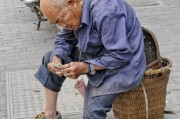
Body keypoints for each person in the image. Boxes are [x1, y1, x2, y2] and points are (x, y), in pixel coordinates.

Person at [34, 0, 146, 118]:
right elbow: (65, 39)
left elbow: (121, 54)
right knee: (49, 59)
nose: (63, 26)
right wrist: (57, 58)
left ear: (72, 3)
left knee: (91, 113)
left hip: (123, 65)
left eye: (62, 19)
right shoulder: (71, 12)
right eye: (57, 23)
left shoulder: (106, 12)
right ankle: (49, 115)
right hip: (96, 54)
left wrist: (86, 67)